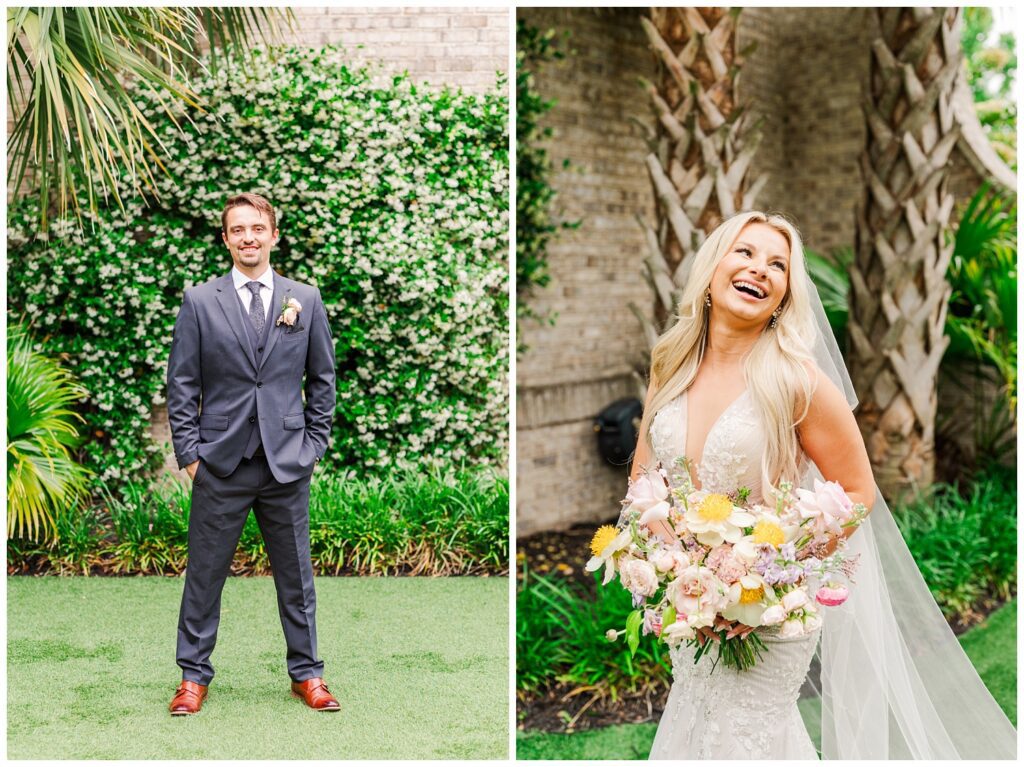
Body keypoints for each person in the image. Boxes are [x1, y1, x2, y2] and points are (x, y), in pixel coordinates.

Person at [631, 211, 1015, 759]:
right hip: (688, 606)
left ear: (785, 297)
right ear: (713, 269)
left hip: (766, 609)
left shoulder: (796, 380)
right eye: (745, 253)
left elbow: (858, 491)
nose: (759, 270)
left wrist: (774, 574)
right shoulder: (668, 364)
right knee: (698, 726)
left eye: (778, 265)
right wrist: (666, 566)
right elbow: (645, 482)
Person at [165, 193, 340, 715]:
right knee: (204, 575)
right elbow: (181, 383)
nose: (248, 238)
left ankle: (307, 675)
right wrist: (190, 454)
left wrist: (312, 446)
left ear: (273, 235)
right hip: (219, 463)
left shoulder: (304, 300)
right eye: (237, 230)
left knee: (297, 577)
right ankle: (193, 678)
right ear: (225, 239)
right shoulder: (200, 301)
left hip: (287, 463)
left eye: (256, 229)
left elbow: (323, 379)